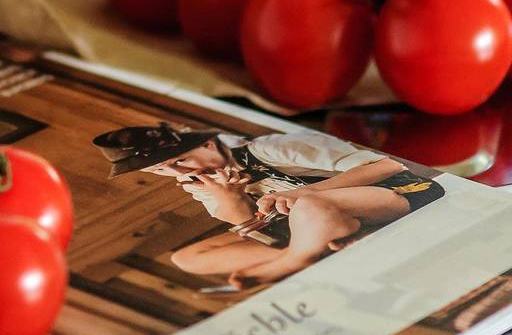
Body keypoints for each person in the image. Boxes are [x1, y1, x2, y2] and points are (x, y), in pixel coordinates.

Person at [93, 124, 445, 287]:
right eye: (161, 170)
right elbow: (255, 232)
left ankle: (295, 261)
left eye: (180, 160)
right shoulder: (198, 185)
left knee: (309, 209)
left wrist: (308, 193)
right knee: (184, 258)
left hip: (386, 197)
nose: (176, 172)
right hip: (308, 229)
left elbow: (389, 166)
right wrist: (230, 199)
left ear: (207, 144)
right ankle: (314, 249)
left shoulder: (271, 148)